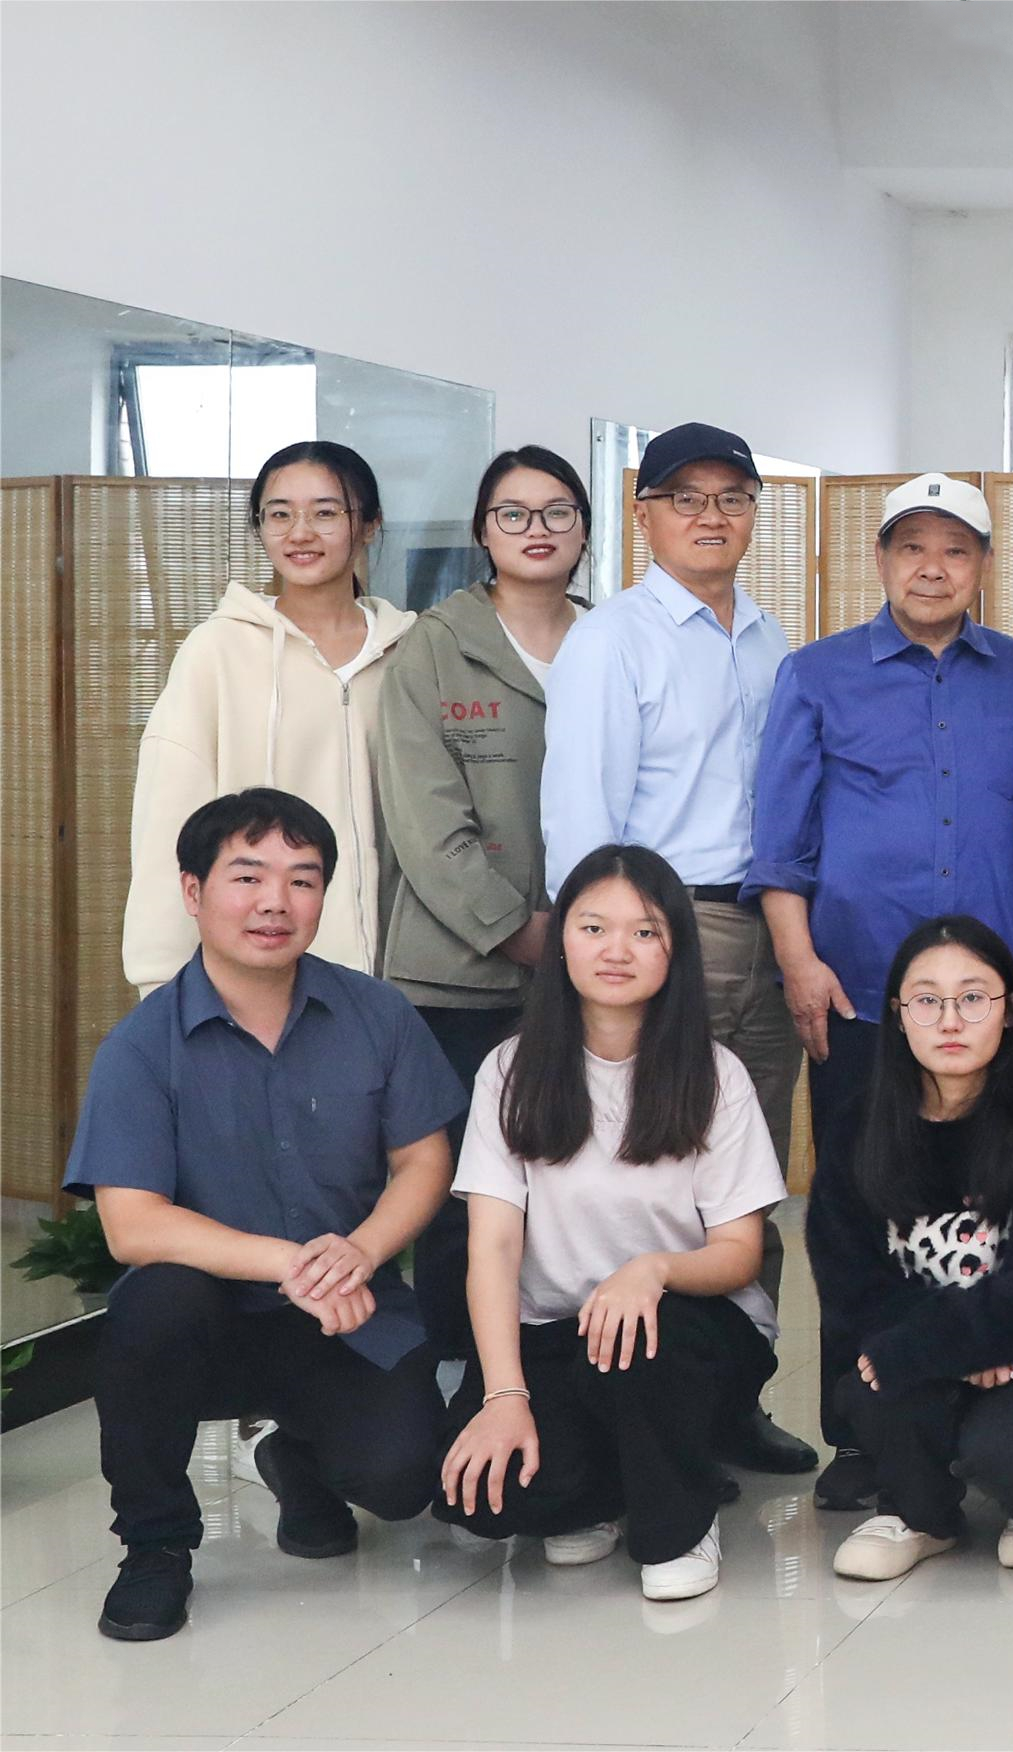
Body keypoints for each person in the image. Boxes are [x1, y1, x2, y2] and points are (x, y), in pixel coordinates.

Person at [72, 789, 458, 1642]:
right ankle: (156, 1547)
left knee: (404, 1483)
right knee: (154, 1303)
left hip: (348, 1314)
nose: (275, 902)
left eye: (302, 880)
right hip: (208, 1323)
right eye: (247, 877)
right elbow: (133, 1225)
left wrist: (361, 1251)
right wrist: (291, 1262)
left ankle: (298, 1458)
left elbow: (424, 1163)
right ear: (193, 891)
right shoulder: (141, 1047)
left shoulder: (378, 1015)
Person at [751, 473, 1013, 1506]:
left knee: (993, 1205)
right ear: (879, 559)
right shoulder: (815, 674)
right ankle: (861, 1432)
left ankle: (987, 1413)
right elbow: (779, 843)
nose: (932, 567)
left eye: (955, 549)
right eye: (911, 547)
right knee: (859, 1209)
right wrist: (799, 963)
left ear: (983, 565)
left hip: (992, 1001)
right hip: (861, 993)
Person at [538, 422, 813, 1475]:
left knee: (747, 1182)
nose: (711, 516)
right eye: (685, 497)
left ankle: (736, 1399)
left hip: (766, 926)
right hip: (664, 930)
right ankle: (637, 1418)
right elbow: (582, 818)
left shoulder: (773, 641)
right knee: (648, 1169)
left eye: (732, 497)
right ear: (643, 513)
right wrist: (610, 953)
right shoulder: (613, 640)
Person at [431, 843, 786, 1606]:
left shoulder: (715, 1075)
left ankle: (680, 1526)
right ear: (560, 941)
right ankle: (610, 1486)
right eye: (593, 928)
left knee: (635, 1354)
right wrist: (503, 1396)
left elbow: (739, 1252)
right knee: (484, 1497)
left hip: (688, 1330)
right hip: (556, 1331)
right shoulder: (509, 1071)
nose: (616, 950)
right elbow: (493, 1247)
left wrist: (651, 1270)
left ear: (675, 950)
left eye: (645, 931)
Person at [810, 917, 1013, 1582]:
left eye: (973, 998)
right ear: (898, 1015)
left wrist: (963, 1344)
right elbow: (848, 1280)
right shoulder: (859, 1122)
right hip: (914, 1346)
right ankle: (921, 1516)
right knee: (871, 1394)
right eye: (927, 1000)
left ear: (1010, 1010)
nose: (950, 1020)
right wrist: (956, 1347)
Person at [377, 445, 593, 1362]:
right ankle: (459, 1388)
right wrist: (517, 930)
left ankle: (566, 1385)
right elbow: (425, 822)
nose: (536, 530)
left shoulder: (610, 639)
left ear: (584, 530)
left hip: (593, 973)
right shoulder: (434, 647)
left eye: (557, 511)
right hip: (460, 979)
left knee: (577, 1190)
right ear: (482, 532)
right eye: (513, 513)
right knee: (462, 1200)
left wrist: (595, 940)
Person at [125, 441, 416, 991]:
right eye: (279, 515)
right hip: (259, 971)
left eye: (325, 513)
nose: (300, 533)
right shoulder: (216, 651)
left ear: (370, 525)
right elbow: (168, 821)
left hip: (399, 980)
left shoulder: (411, 653)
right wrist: (160, 981)